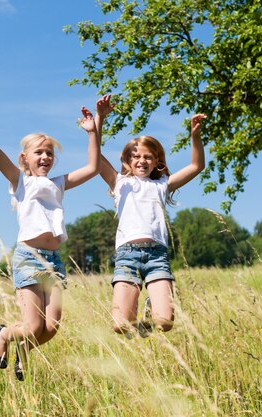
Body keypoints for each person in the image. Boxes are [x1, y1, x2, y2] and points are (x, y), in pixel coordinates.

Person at [0, 84, 101, 380]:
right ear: (25, 158)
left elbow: (93, 167)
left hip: (54, 261)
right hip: (29, 259)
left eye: (49, 153)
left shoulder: (59, 183)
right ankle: (5, 334)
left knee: (51, 328)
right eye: (38, 152)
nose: (45, 157)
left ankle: (23, 350)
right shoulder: (21, 182)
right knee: (31, 328)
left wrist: (93, 131)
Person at [95, 93, 207, 337]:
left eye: (147, 157)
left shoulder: (163, 184)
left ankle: (151, 310)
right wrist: (98, 121)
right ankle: (139, 313)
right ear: (126, 160)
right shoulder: (119, 182)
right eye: (135, 156)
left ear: (157, 161)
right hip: (127, 256)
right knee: (120, 326)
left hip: (157, 255)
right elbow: (95, 159)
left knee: (165, 322)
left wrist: (195, 137)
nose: (141, 161)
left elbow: (197, 166)